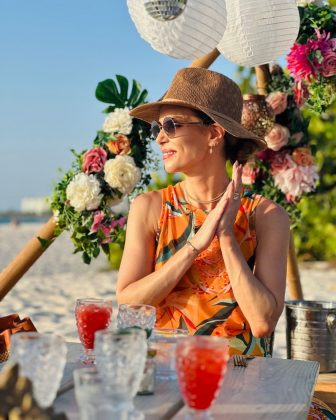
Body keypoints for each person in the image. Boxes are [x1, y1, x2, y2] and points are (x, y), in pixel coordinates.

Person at [116, 66, 290, 357]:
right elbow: (129, 304)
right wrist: (194, 246)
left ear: (214, 133)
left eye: (171, 125)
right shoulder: (149, 208)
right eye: (157, 128)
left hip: (242, 381)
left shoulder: (266, 216)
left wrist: (225, 237)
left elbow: (261, 323)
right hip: (164, 374)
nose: (160, 138)